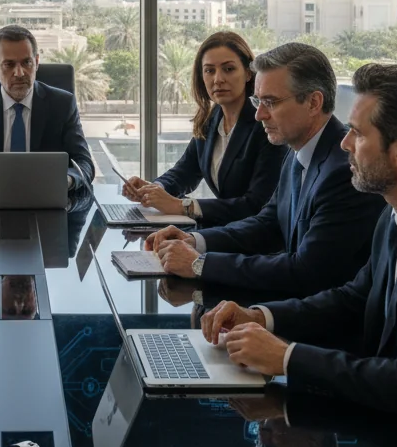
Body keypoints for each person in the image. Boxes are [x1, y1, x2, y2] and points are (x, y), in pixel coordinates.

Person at [200, 63, 397, 431]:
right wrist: (261, 317)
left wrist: (287, 357)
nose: (343, 143)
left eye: (357, 133)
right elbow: (355, 298)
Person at [145, 42, 383, 295]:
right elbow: (268, 223)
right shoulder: (298, 152)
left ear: (313, 103)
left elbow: (307, 271)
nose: (259, 115)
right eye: (258, 101)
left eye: (270, 102)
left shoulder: (343, 171)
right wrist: (196, 241)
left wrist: (199, 263)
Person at [122, 31, 285, 226]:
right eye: (209, 70)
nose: (218, 79)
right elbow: (185, 171)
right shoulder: (211, 118)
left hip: (255, 242)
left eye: (229, 69)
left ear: (248, 73)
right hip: (225, 231)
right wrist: (154, 189)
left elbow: (256, 204)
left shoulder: (265, 125)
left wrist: (184, 206)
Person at [0, 25, 94, 191]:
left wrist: (67, 181)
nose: (19, 73)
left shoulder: (62, 104)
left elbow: (84, 163)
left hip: (47, 201)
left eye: (27, 62)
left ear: (37, 62)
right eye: (9, 64)